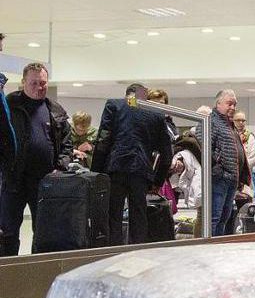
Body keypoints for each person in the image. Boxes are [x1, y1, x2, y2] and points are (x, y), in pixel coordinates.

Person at [0, 63, 73, 256]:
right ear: (23, 82)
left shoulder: (55, 109)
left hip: (44, 181)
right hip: (13, 179)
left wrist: (60, 167)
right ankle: (7, 271)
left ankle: (36, 272)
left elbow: (67, 145)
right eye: (33, 83)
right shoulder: (9, 105)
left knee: (43, 232)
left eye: (43, 83)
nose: (39, 87)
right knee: (7, 231)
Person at [92, 84, 173, 245]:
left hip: (115, 168)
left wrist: (95, 172)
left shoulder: (114, 105)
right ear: (145, 96)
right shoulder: (156, 114)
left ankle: (113, 254)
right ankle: (137, 255)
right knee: (139, 215)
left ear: (127, 94)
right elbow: (166, 153)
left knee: (113, 215)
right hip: (141, 171)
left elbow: (103, 140)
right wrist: (158, 181)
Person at [197, 90, 249, 236]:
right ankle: (209, 250)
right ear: (218, 103)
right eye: (229, 103)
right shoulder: (209, 121)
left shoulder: (228, 124)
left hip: (230, 179)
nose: (232, 107)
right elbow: (202, 147)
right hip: (219, 179)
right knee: (214, 218)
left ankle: (217, 248)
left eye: (234, 104)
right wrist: (218, 170)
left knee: (224, 219)